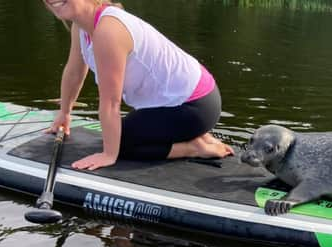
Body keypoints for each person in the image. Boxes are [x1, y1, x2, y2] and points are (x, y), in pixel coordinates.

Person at [43, 0, 234, 171]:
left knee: (122, 143)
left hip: (194, 106)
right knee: (117, 135)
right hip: (186, 100)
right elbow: (75, 71)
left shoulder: (108, 30)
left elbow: (111, 102)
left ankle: (195, 147)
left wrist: (109, 155)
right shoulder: (81, 26)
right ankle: (195, 137)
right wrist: (64, 113)